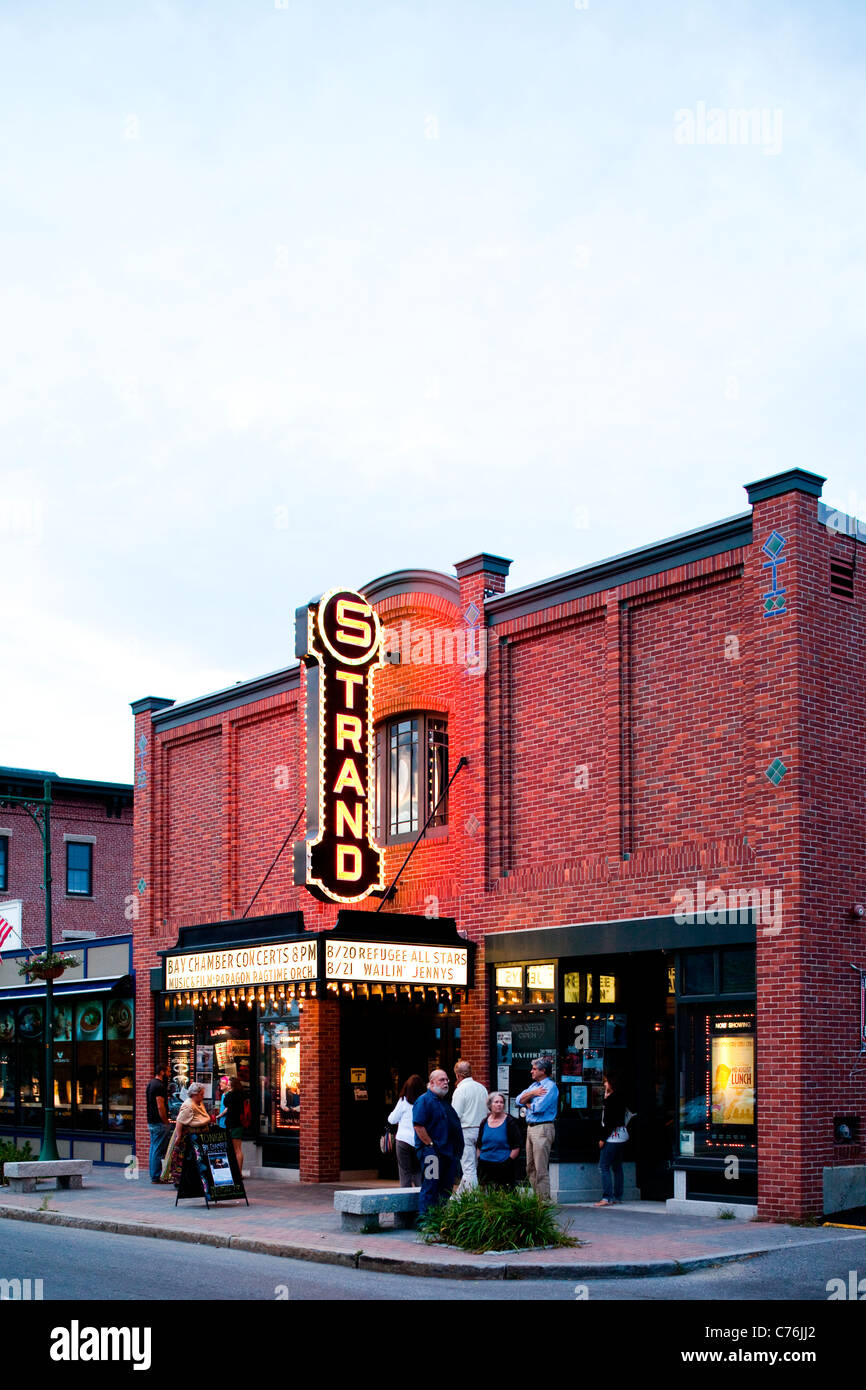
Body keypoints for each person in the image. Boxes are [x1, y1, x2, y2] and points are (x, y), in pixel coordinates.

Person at [412, 1068, 464, 1217]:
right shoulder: (424, 1100)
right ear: (432, 1082)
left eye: (447, 1080)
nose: (446, 1083)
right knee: (431, 1186)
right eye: (442, 1080)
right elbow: (418, 1126)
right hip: (432, 1154)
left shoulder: (444, 1103)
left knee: (446, 1187)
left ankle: (440, 1219)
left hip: (448, 1153)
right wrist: (430, 1145)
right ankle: (426, 1221)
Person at [516, 1057, 559, 1200]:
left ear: (543, 1070)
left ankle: (544, 1200)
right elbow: (518, 1100)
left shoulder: (550, 1087)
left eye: (534, 1069)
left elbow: (538, 1108)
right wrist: (532, 1094)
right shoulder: (534, 1086)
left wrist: (527, 1102)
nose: (531, 1071)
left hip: (543, 1127)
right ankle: (537, 1197)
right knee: (530, 1166)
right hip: (530, 1128)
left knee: (540, 1167)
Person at [161, 1080, 212, 1185]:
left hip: (197, 1134)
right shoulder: (188, 1105)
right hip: (187, 1136)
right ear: (194, 1094)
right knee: (183, 1158)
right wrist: (178, 1136)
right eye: (201, 1094)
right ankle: (180, 1180)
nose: (203, 1096)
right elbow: (180, 1121)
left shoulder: (198, 1102)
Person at [452, 1060, 488, 1193]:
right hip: (481, 1131)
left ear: (458, 1075)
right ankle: (460, 1198)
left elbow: (455, 1116)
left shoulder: (460, 1091)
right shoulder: (482, 1088)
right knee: (473, 1168)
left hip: (466, 1131)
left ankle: (472, 1200)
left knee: (469, 1169)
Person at [595, 1072, 629, 1206]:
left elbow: (609, 1121)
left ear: (611, 1083)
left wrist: (602, 1138)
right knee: (617, 1167)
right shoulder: (620, 1097)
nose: (604, 1084)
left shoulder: (611, 1100)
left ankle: (607, 1197)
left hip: (611, 1138)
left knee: (604, 1166)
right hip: (621, 1136)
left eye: (606, 1082)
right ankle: (617, 1196)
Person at [476, 1092, 522, 1188]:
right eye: (496, 1102)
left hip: (503, 1165)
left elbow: (516, 1146)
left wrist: (508, 1162)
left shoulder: (510, 1122)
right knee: (485, 1195)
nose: (499, 1104)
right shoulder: (484, 1122)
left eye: (501, 1102)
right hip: (485, 1164)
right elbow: (479, 1144)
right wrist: (480, 1158)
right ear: (490, 1105)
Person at [388, 1074, 425, 1187]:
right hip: (419, 1140)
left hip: (403, 1141)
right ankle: (421, 1198)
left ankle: (405, 1201)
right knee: (418, 1171)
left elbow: (392, 1119)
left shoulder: (403, 1101)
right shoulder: (425, 1102)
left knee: (405, 1173)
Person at [145, 1064, 171, 1184]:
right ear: (162, 1072)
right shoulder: (159, 1086)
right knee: (158, 1149)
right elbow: (160, 1106)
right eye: (168, 1071)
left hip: (151, 1121)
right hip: (158, 1122)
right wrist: (165, 1121)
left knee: (154, 1148)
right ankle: (156, 1175)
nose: (169, 1073)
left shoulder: (151, 1084)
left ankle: (153, 1174)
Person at [216, 1075, 245, 1172]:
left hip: (233, 1125)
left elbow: (226, 1104)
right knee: (238, 1149)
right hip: (238, 1124)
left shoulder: (230, 1096)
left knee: (235, 1149)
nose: (227, 1086)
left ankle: (238, 1172)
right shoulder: (240, 1095)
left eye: (229, 1085)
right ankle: (239, 1171)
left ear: (233, 1086)